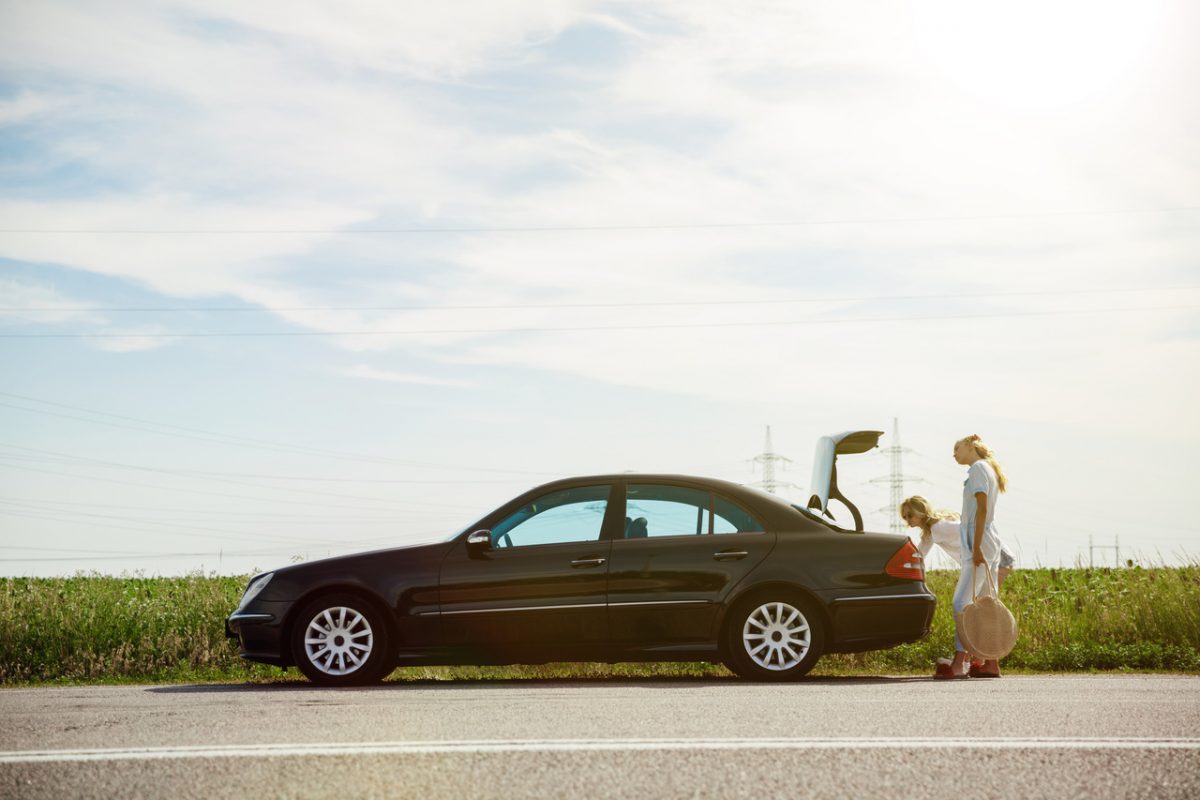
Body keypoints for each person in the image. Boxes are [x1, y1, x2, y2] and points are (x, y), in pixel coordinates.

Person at [935, 434, 1008, 680]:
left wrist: (975, 547)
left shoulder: (978, 468)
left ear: (970, 447)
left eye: (956, 448)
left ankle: (959, 664)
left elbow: (982, 508)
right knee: (987, 602)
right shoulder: (986, 468)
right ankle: (991, 662)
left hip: (980, 542)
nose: (954, 454)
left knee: (961, 604)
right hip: (989, 540)